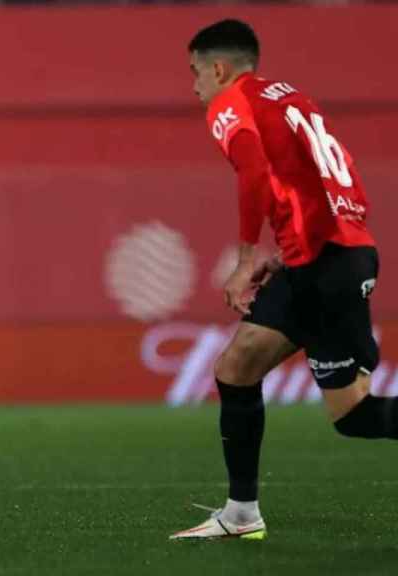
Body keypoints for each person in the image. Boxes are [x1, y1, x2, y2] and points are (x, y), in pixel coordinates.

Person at [169, 19, 395, 540]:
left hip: (327, 265)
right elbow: (330, 179)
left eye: (195, 72)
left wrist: (247, 259)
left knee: (355, 416)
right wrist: (289, 253)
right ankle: (241, 514)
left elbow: (252, 175)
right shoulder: (292, 97)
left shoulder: (229, 104)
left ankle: (242, 513)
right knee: (236, 367)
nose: (195, 85)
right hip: (326, 256)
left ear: (219, 68)